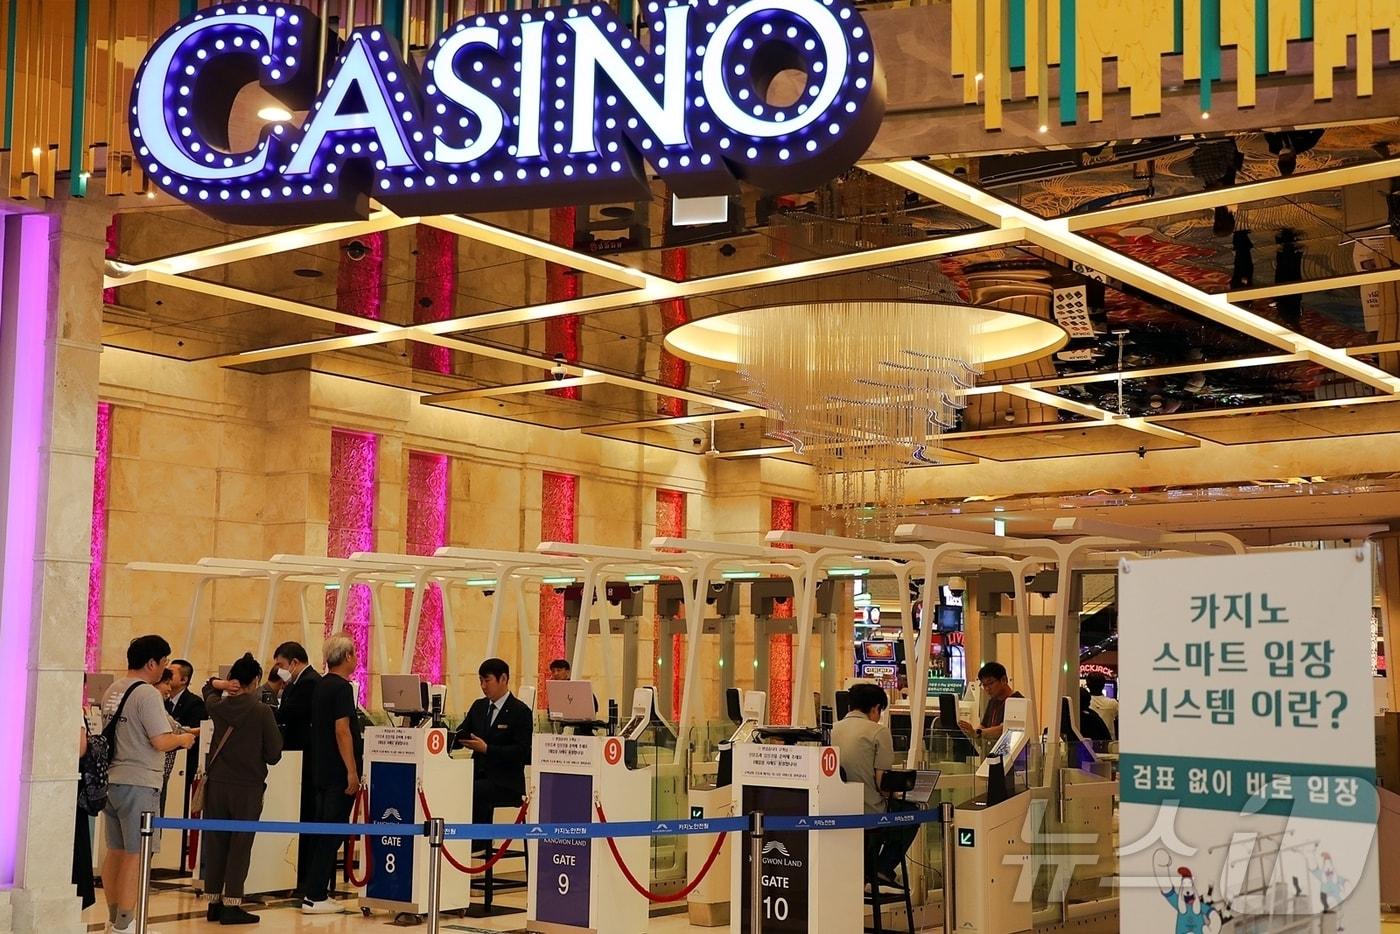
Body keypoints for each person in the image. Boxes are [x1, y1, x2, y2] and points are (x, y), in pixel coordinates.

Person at [100, 635, 197, 934]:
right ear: (151, 663)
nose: (165, 669)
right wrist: (183, 739)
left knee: (115, 851)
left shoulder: (114, 689)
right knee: (136, 853)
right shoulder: (148, 694)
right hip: (140, 781)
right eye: (164, 662)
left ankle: (114, 919)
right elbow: (160, 740)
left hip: (112, 780)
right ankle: (126, 923)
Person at [201, 654, 283, 925]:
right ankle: (232, 903)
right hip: (247, 787)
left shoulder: (217, 706)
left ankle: (213, 902)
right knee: (240, 845)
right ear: (256, 680)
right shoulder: (262, 711)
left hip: (217, 785)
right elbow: (274, 754)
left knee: (216, 842)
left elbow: (206, 687)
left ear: (233, 680)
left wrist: (222, 685)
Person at [830, 683, 916, 887]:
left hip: (837, 810)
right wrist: (894, 795)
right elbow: (881, 781)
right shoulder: (879, 732)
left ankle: (867, 870)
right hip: (869, 812)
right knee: (912, 814)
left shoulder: (831, 729)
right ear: (876, 708)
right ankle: (881, 869)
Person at [301, 633, 363, 915]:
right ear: (347, 656)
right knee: (332, 832)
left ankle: (315, 891)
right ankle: (315, 894)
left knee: (323, 831)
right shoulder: (342, 688)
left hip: (321, 770)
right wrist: (352, 771)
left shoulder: (321, 685)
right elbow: (342, 731)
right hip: (337, 772)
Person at [454, 658, 533, 851]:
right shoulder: (479, 707)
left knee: (476, 790)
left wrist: (488, 749)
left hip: (506, 782)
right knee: (454, 785)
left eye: (487, 681)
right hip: (477, 774)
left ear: (503, 679)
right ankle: (455, 842)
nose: (483, 686)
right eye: (480, 681)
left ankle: (477, 842)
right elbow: (462, 732)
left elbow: (522, 752)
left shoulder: (520, 711)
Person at [267, 640, 319, 895]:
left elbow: (289, 714)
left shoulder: (309, 683)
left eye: (281, 664)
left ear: (294, 662)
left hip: (306, 758)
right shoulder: (295, 684)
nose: (279, 669)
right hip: (292, 758)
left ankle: (304, 878)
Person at [959, 662, 1024, 744]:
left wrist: (977, 733)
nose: (987, 688)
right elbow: (984, 725)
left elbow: (1004, 730)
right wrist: (970, 731)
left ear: (1003, 680)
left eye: (990, 683)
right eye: (984, 685)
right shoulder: (993, 701)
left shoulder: (1018, 701)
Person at [166, 659, 207, 728]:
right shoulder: (164, 701)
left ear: (183, 680)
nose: (166, 676)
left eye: (170, 673)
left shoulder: (195, 703)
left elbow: (195, 730)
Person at [1085, 673, 1119, 740]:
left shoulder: (1084, 703)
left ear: (1087, 685)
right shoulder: (1113, 703)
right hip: (1108, 743)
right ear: (1103, 685)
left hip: (1089, 742)